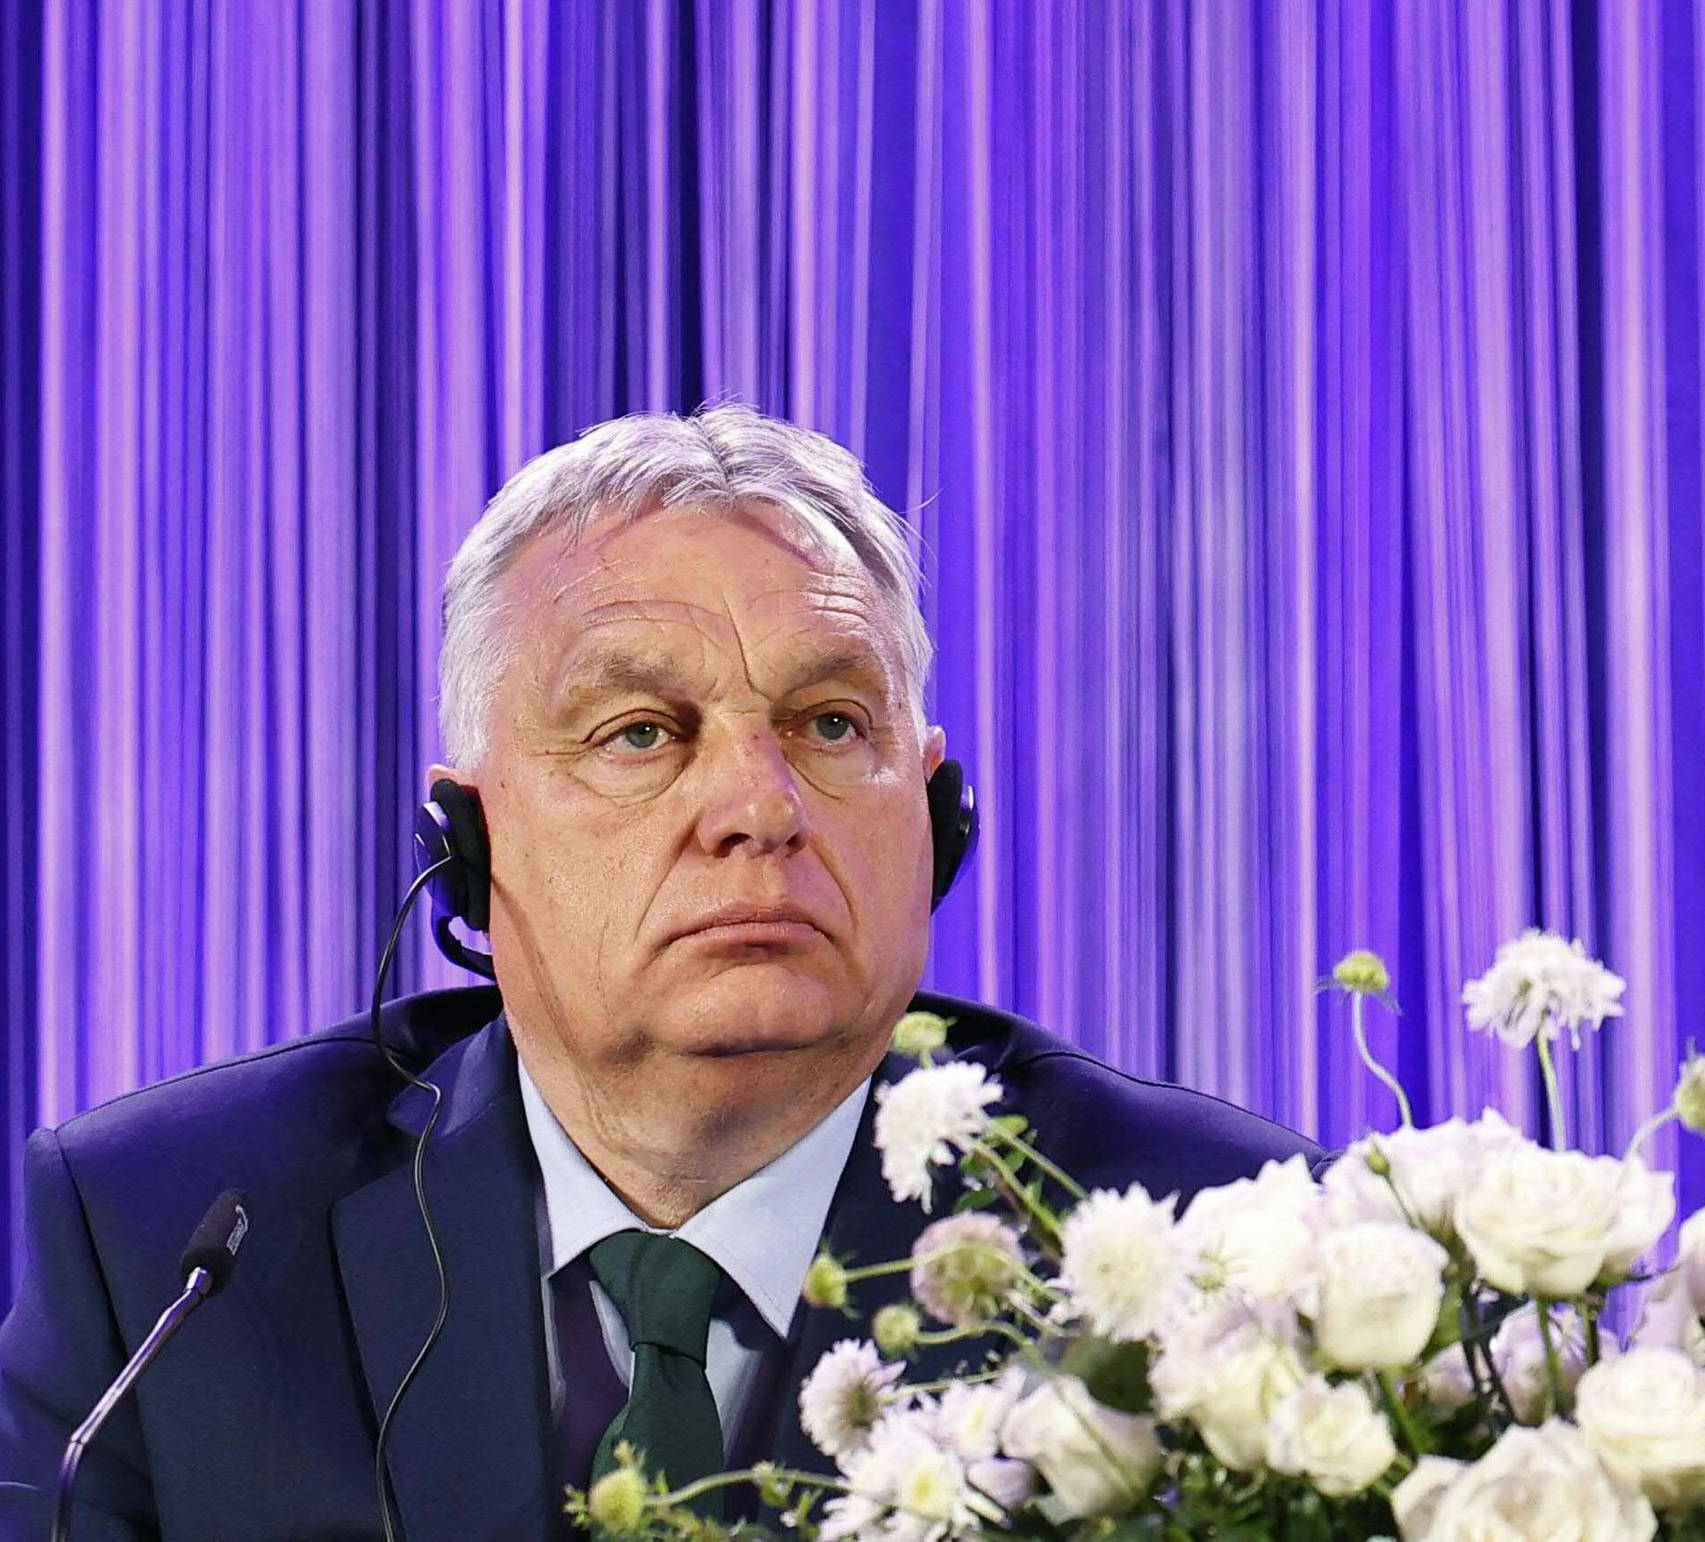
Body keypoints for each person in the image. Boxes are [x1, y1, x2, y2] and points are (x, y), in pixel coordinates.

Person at [0, 407, 1318, 1538]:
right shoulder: (161, 1242)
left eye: (830, 724)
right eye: (641, 731)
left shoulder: (1201, 1235)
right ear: (469, 838)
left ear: (935, 815)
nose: (757, 804)